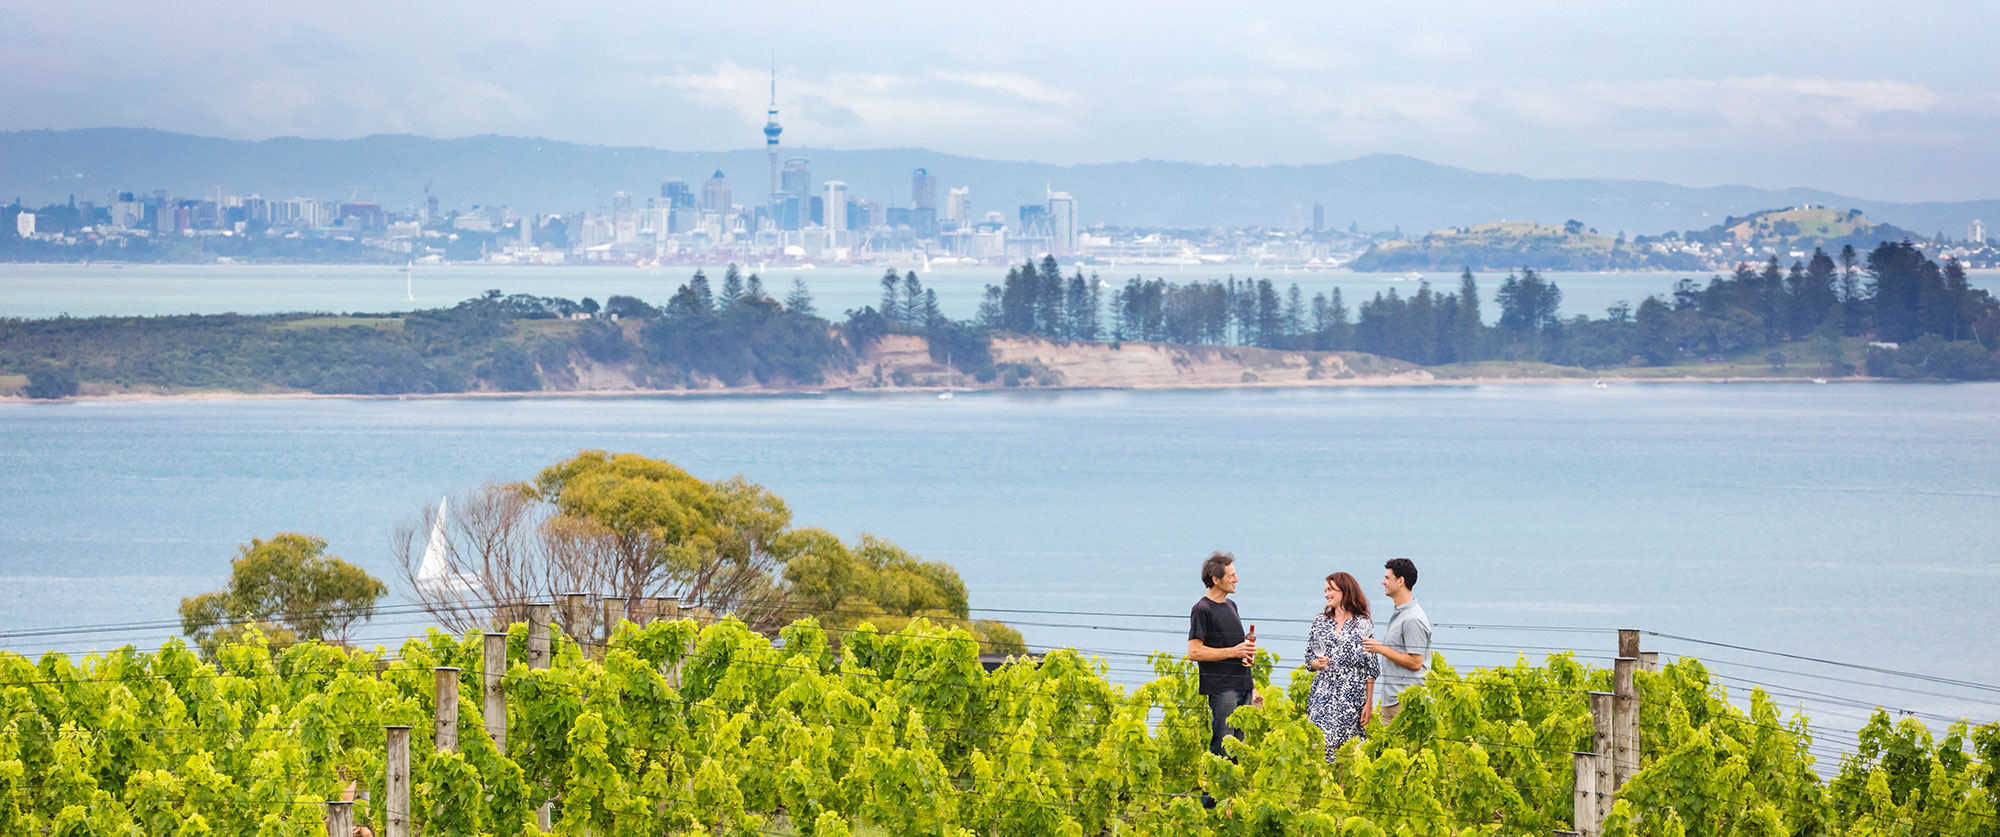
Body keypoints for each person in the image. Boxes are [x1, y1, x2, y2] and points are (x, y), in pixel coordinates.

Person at [1187, 551, 1258, 765]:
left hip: (1242, 686)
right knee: (1222, 750)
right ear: (1216, 580)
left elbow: (1240, 651)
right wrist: (1234, 651)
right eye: (1231, 576)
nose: (1236, 580)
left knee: (1238, 749)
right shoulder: (1202, 609)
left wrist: (1252, 687)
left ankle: (1231, 798)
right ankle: (1212, 799)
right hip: (1222, 688)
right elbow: (1194, 652)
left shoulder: (1231, 606)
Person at [1304, 571, 1379, 761]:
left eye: (1330, 590)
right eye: (1325, 590)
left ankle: (1342, 789)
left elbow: (1371, 667)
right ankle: (1323, 788)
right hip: (1322, 693)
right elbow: (1309, 660)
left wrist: (1369, 702)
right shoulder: (1320, 622)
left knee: (1346, 750)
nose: (1326, 594)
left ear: (1345, 591)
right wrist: (1318, 663)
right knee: (1318, 747)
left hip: (1351, 695)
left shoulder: (1362, 624)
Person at [1362, 557, 1431, 723]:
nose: (1383, 582)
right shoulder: (1401, 614)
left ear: (1400, 581)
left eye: (1387, 578)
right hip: (1392, 699)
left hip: (1404, 703)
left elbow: (1416, 662)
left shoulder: (1413, 618)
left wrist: (1380, 648)